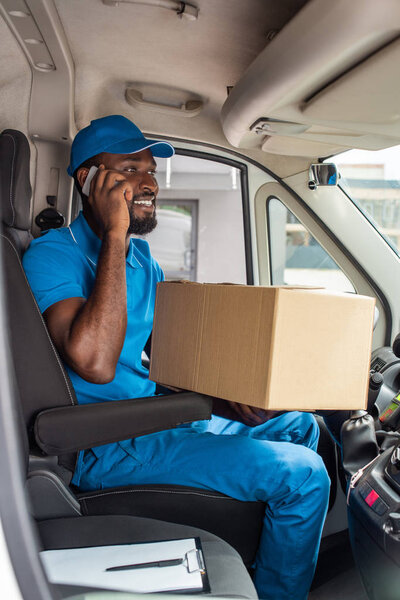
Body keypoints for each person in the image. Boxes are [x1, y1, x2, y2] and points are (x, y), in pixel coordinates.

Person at [23, 115, 330, 600]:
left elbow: (168, 357)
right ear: (89, 180)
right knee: (305, 475)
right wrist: (116, 234)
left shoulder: (143, 261)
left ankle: (279, 548)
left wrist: (226, 401)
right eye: (128, 171)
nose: (148, 183)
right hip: (110, 440)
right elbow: (96, 363)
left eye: (150, 171)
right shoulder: (51, 256)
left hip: (158, 419)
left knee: (302, 426)